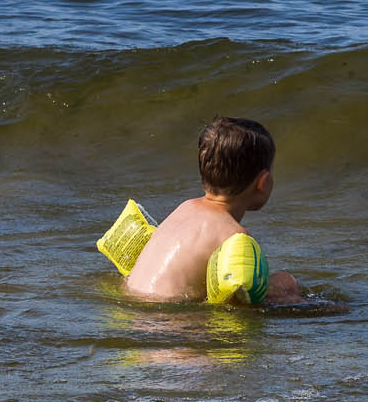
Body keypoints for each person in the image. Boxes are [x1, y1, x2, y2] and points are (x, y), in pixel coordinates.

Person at [122, 117, 306, 306]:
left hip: (134, 308)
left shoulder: (185, 207)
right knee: (286, 282)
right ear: (264, 182)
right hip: (168, 327)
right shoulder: (234, 236)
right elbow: (239, 302)